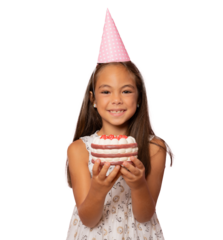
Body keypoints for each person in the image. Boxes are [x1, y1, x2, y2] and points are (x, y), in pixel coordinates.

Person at [63, 6, 176, 240]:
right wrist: (99, 188)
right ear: (92, 99)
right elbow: (88, 219)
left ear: (138, 98)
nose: (116, 100)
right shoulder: (79, 149)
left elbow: (145, 215)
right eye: (106, 91)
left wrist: (138, 184)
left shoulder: (154, 147)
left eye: (126, 91)